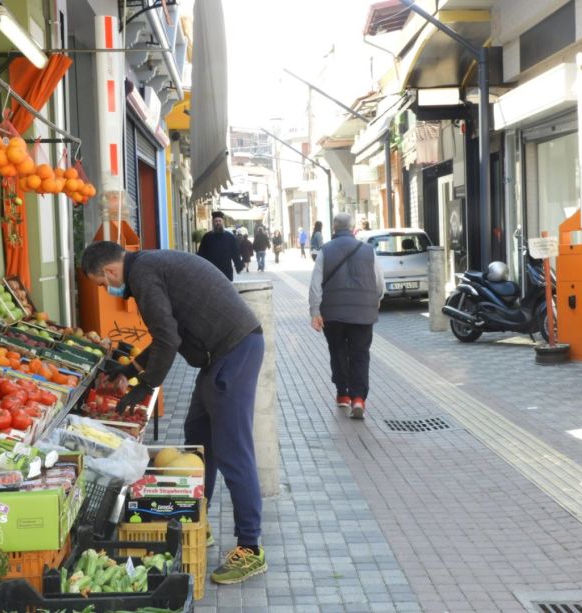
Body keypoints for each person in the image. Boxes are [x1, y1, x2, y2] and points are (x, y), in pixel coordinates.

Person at [80, 241, 268, 584]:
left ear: (109, 272)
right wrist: (130, 369)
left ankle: (250, 548)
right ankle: (199, 519)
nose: (107, 291)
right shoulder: (148, 267)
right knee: (197, 433)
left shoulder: (144, 276)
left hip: (234, 351)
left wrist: (145, 385)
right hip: (222, 354)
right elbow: (172, 334)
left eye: (102, 284)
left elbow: (169, 339)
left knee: (232, 451)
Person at [309, 213, 384, 420]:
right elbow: (379, 282)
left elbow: (315, 284)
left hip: (333, 314)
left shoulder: (325, 251)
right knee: (360, 354)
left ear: (334, 228)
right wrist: (377, 298)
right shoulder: (369, 251)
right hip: (362, 312)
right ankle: (358, 398)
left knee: (338, 351)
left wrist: (315, 311)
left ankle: (343, 394)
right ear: (353, 229)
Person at [197, 210, 243, 280]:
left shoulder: (229, 237)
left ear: (222, 222)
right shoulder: (207, 237)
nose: (218, 223)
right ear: (213, 222)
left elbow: (235, 253)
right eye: (216, 221)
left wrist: (238, 267)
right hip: (211, 270)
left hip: (226, 270)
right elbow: (201, 253)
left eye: (219, 221)